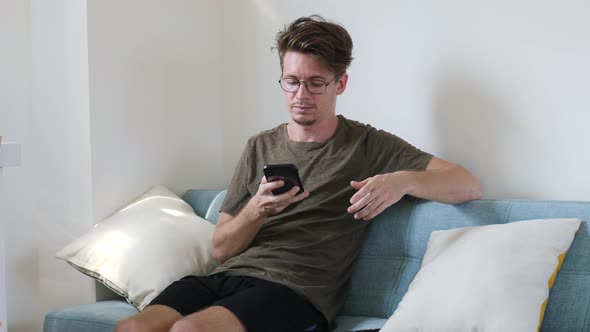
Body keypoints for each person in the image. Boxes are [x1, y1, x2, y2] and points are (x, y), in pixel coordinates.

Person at [116, 15, 482, 332]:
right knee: (132, 327)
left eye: (315, 82)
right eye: (291, 81)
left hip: (298, 293)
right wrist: (257, 209)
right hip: (226, 279)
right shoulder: (258, 146)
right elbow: (222, 249)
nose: (301, 94)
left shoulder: (368, 145)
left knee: (189, 329)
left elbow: (466, 184)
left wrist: (402, 180)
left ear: (340, 84)